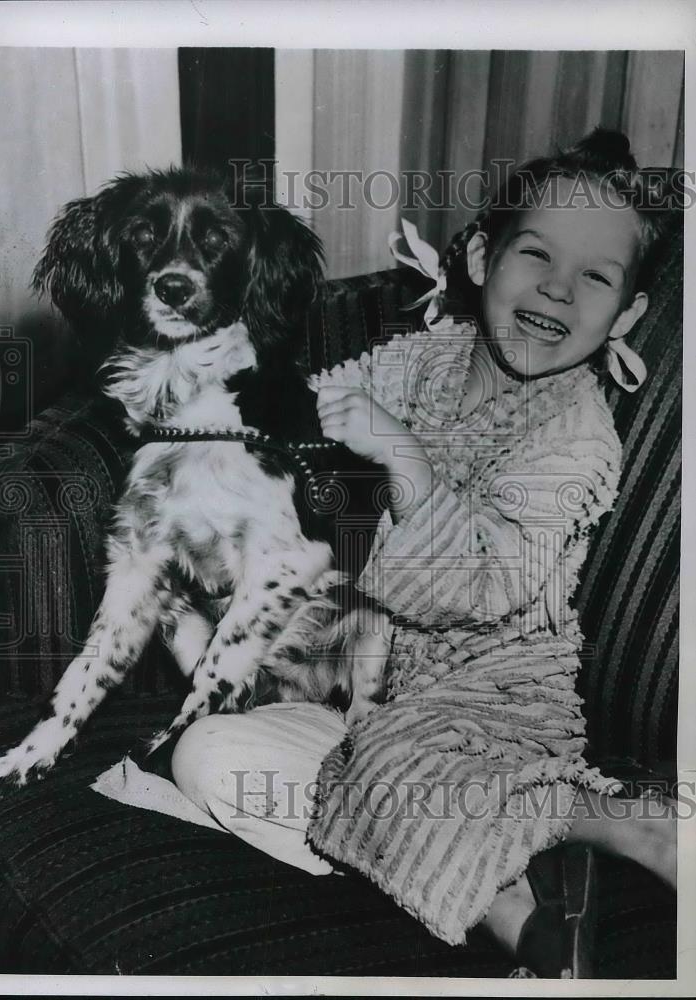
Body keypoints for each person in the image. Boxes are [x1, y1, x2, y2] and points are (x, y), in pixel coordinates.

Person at [96, 129, 678, 978]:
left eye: (594, 277)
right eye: (535, 253)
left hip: (486, 703)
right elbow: (318, 410)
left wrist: (403, 456)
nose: (557, 287)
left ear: (625, 313)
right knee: (211, 757)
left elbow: (485, 581)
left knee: (395, 769)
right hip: (362, 693)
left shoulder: (575, 435)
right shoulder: (428, 357)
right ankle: (476, 852)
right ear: (481, 258)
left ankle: (561, 871)